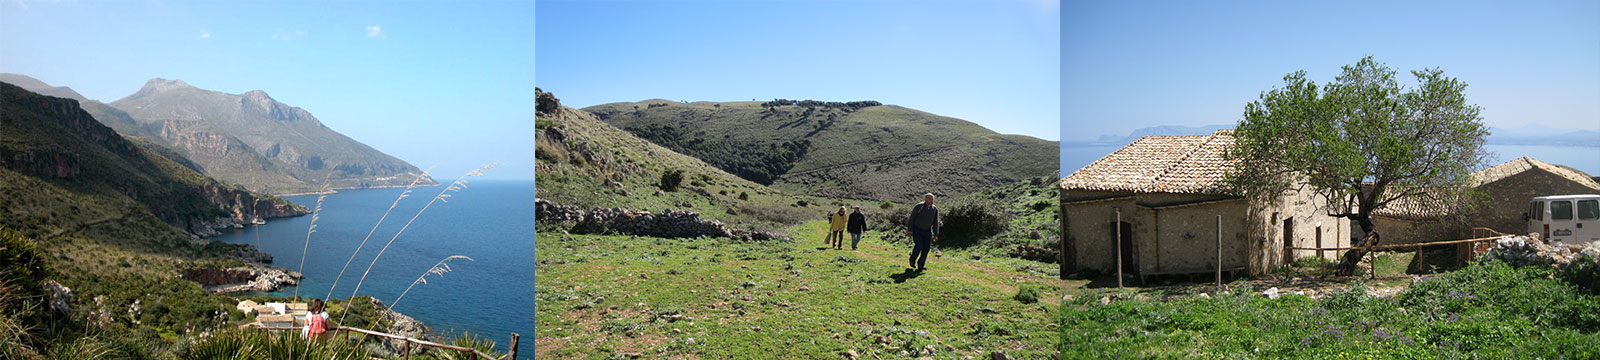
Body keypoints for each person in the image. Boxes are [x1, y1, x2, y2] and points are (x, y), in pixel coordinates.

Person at [904, 193, 939, 271]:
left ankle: (921, 265)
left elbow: (936, 222)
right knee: (919, 246)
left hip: (928, 231)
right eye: (928, 198)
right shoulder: (919, 207)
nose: (930, 200)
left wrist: (936, 234)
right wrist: (910, 230)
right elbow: (912, 218)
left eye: (931, 199)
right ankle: (912, 259)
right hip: (917, 230)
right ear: (925, 199)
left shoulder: (934, 209)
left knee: (926, 249)